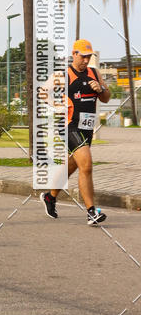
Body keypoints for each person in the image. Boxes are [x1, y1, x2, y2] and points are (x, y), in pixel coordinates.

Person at [40, 39, 110, 226]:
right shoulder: (63, 74)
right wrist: (55, 104)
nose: (86, 61)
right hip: (68, 126)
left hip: (86, 128)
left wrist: (101, 88)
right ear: (74, 54)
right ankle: (91, 212)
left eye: (89, 57)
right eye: (83, 56)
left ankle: (50, 197)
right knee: (86, 164)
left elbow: (106, 98)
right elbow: (43, 92)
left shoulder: (94, 73)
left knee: (74, 164)